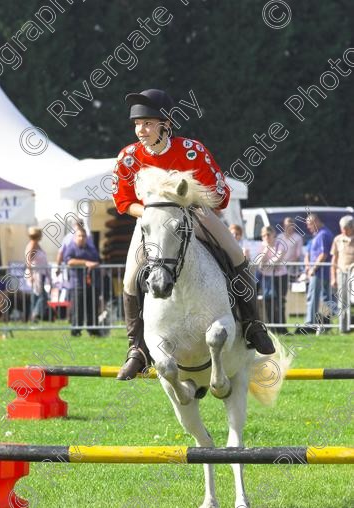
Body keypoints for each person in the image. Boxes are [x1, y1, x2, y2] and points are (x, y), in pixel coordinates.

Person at [112, 88, 275, 380]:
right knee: (128, 278)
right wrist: (152, 213)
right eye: (137, 124)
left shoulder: (191, 150)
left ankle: (252, 324)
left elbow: (222, 195)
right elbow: (123, 202)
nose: (141, 130)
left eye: (147, 123)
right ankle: (136, 349)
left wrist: (194, 200)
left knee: (236, 254)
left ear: (166, 124)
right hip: (149, 222)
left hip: (194, 216)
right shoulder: (127, 158)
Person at [65, 227, 101, 337]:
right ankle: (76, 331)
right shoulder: (71, 248)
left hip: (91, 282)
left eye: (83, 236)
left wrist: (95, 264)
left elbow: (97, 260)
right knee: (78, 309)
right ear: (75, 237)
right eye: (79, 236)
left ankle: (93, 330)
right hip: (77, 284)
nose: (81, 238)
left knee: (92, 307)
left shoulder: (91, 248)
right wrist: (86, 263)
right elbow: (69, 261)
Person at [303, 213, 334, 328]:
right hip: (319, 272)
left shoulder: (323, 234)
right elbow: (309, 252)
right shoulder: (317, 235)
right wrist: (307, 266)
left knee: (313, 296)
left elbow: (324, 254)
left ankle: (309, 323)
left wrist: (313, 268)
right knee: (326, 298)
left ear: (315, 222)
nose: (308, 227)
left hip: (320, 272)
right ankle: (341, 318)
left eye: (309, 224)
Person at [255, 226, 288, 332]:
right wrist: (266, 248)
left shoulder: (280, 245)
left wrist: (266, 265)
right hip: (267, 277)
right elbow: (259, 261)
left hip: (280, 277)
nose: (266, 237)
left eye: (268, 234)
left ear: (273, 234)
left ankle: (282, 328)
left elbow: (278, 259)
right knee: (268, 302)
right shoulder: (262, 246)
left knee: (279, 302)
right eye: (264, 235)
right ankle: (272, 328)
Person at [330, 215, 354, 331]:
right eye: (342, 228)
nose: (343, 230)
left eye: (345, 228)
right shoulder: (337, 239)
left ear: (352, 227)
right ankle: (343, 328)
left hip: (353, 274)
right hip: (342, 274)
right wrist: (333, 277)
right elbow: (334, 259)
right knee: (342, 302)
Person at [24, 227, 49, 323]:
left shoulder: (37, 245)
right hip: (35, 274)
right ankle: (35, 314)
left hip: (40, 273)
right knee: (43, 296)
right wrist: (30, 275)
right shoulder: (32, 245)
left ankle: (32, 316)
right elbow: (28, 261)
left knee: (36, 296)